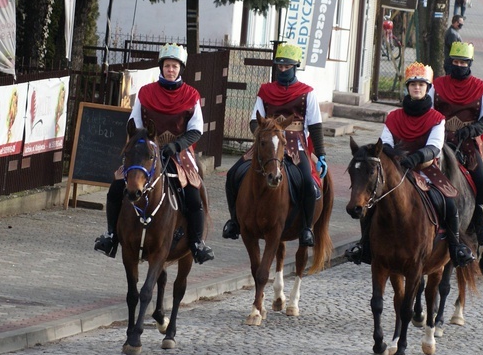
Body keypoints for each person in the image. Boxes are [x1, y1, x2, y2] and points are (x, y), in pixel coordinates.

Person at [94, 43, 214, 264]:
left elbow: (196, 129)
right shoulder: (146, 92)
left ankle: (197, 243)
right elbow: (135, 121)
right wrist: (148, 144)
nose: (170, 70)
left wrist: (175, 146)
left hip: (179, 152)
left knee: (194, 195)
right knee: (117, 187)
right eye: (167, 65)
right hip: (147, 150)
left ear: (180, 69)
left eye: (175, 66)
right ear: (161, 67)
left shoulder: (191, 94)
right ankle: (111, 235)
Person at [345, 62, 475, 267]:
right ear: (408, 88)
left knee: (448, 202)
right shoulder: (393, 116)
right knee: (370, 201)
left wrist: (416, 158)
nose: (417, 88)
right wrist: (396, 159)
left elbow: (435, 146)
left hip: (427, 168)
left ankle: (455, 246)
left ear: (427, 89)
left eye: (421, 85)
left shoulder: (437, 118)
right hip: (397, 168)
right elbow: (386, 142)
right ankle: (364, 246)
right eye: (413, 85)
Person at [222, 43, 327, 246]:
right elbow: (254, 119)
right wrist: (262, 136)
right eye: (280, 66)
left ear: (295, 67)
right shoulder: (265, 90)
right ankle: (234, 221)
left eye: (287, 66)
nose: (283, 70)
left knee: (307, 181)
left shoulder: (308, 93)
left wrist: (321, 155)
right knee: (232, 174)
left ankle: (306, 228)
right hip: (267, 141)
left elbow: (315, 126)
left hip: (295, 144)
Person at [431, 42, 483, 246]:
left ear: (470, 63)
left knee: (482, 180)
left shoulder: (481, 88)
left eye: (463, 62)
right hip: (438, 139)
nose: (458, 65)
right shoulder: (437, 85)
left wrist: (471, 130)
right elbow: (428, 110)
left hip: (466, 143)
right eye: (455, 61)